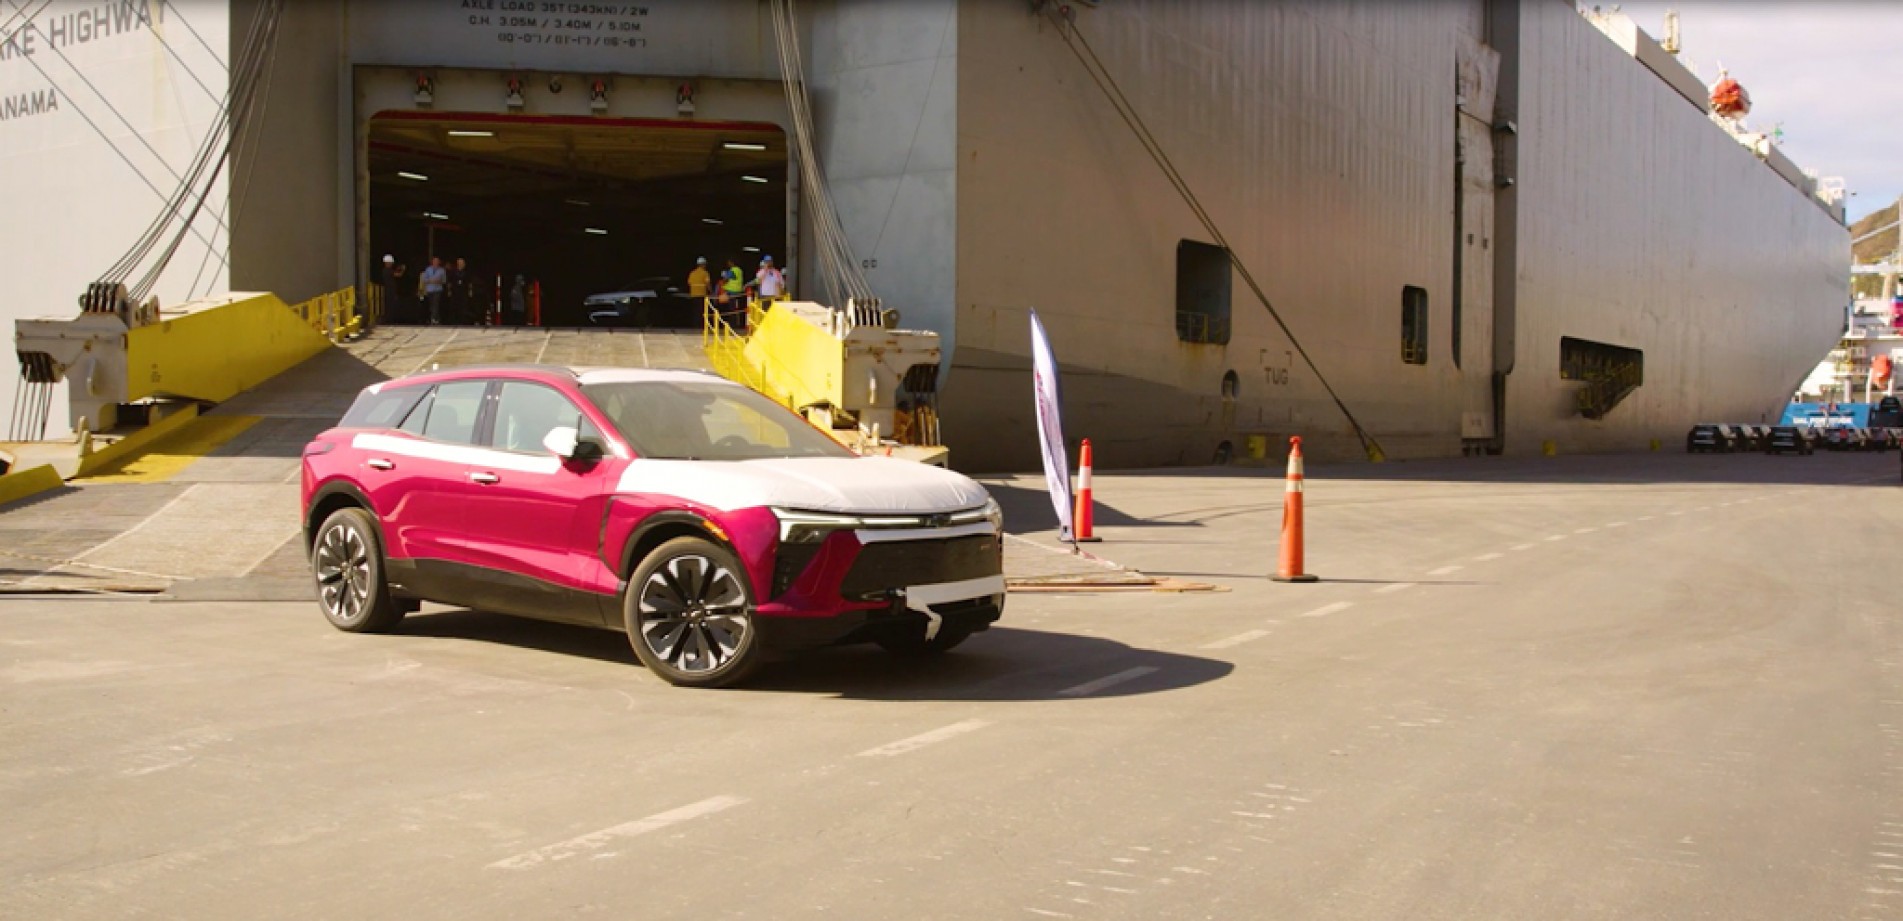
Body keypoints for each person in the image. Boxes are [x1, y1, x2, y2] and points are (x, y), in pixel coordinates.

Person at [719, 256, 747, 324]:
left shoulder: (733, 270)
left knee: (731, 309)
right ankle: (735, 322)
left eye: (729, 262)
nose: (728, 264)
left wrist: (723, 279)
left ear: (732, 263)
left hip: (732, 292)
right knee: (735, 309)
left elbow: (726, 279)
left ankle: (733, 323)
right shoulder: (739, 270)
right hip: (738, 291)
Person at [419, 257, 447, 324]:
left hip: (438, 290)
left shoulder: (442, 270)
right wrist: (431, 280)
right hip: (430, 290)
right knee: (431, 305)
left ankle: (433, 318)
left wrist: (438, 281)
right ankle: (436, 318)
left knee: (436, 304)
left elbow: (444, 280)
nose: (435, 262)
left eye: (437, 261)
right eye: (434, 261)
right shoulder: (428, 269)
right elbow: (424, 279)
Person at [447, 257, 470, 325]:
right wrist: (449, 291)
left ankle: (462, 321)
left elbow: (469, 282)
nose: (460, 264)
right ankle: (454, 321)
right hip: (455, 291)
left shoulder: (467, 272)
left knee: (463, 307)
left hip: (463, 292)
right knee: (454, 307)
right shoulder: (453, 272)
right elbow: (449, 282)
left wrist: (469, 291)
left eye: (462, 263)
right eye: (459, 263)